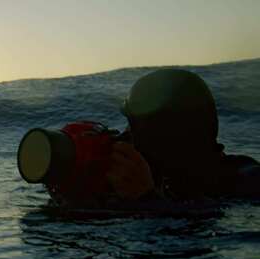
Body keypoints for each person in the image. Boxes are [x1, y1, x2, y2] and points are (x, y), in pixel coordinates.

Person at [106, 69, 260, 202]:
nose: (124, 137)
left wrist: (145, 198)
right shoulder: (159, 177)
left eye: (132, 126)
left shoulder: (248, 179)